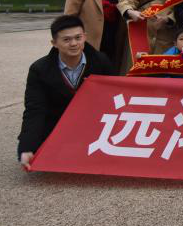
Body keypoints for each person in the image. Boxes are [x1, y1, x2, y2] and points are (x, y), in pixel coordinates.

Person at [17, 15, 114, 167]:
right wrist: (27, 147)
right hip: (57, 124)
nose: (74, 43)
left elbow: (114, 97)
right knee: (41, 153)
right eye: (66, 40)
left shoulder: (101, 61)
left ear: (85, 37)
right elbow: (35, 110)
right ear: (54, 43)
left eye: (78, 38)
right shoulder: (39, 69)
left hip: (93, 124)